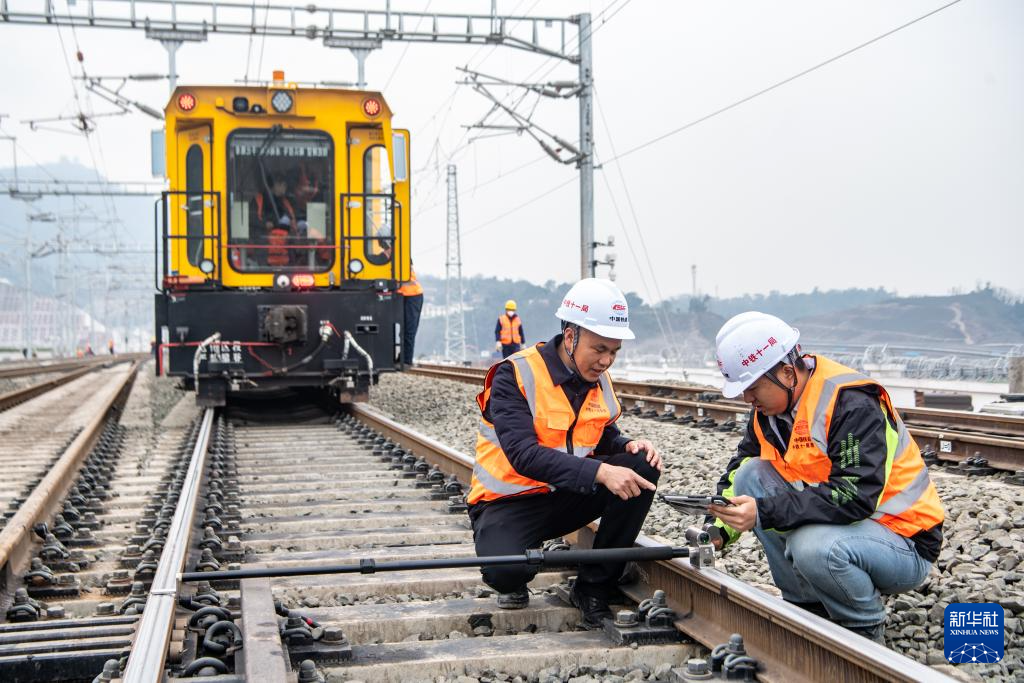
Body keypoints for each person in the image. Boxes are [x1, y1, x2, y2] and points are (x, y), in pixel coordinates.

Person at [705, 312, 944, 644]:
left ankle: (863, 628)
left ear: (787, 373)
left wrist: (764, 511)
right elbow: (742, 468)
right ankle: (808, 608)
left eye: (752, 387)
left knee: (812, 547)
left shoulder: (851, 403)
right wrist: (718, 529)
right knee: (751, 474)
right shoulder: (769, 412)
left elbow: (855, 495)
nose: (747, 398)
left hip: (903, 539)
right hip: (844, 528)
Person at [468, 278, 663, 629]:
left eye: (614, 352)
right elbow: (523, 454)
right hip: (508, 503)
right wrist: (601, 473)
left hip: (566, 494)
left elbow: (601, 433)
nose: (606, 361)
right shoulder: (515, 375)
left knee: (641, 466)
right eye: (600, 349)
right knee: (506, 571)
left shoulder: (597, 377)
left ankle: (593, 587)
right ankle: (514, 571)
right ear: (571, 336)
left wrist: (628, 446)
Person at [396, 261, 423, 366]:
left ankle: (407, 360)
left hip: (413, 296)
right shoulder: (394, 259)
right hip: (405, 295)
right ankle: (403, 357)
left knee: (409, 329)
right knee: (404, 330)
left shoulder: (402, 261)